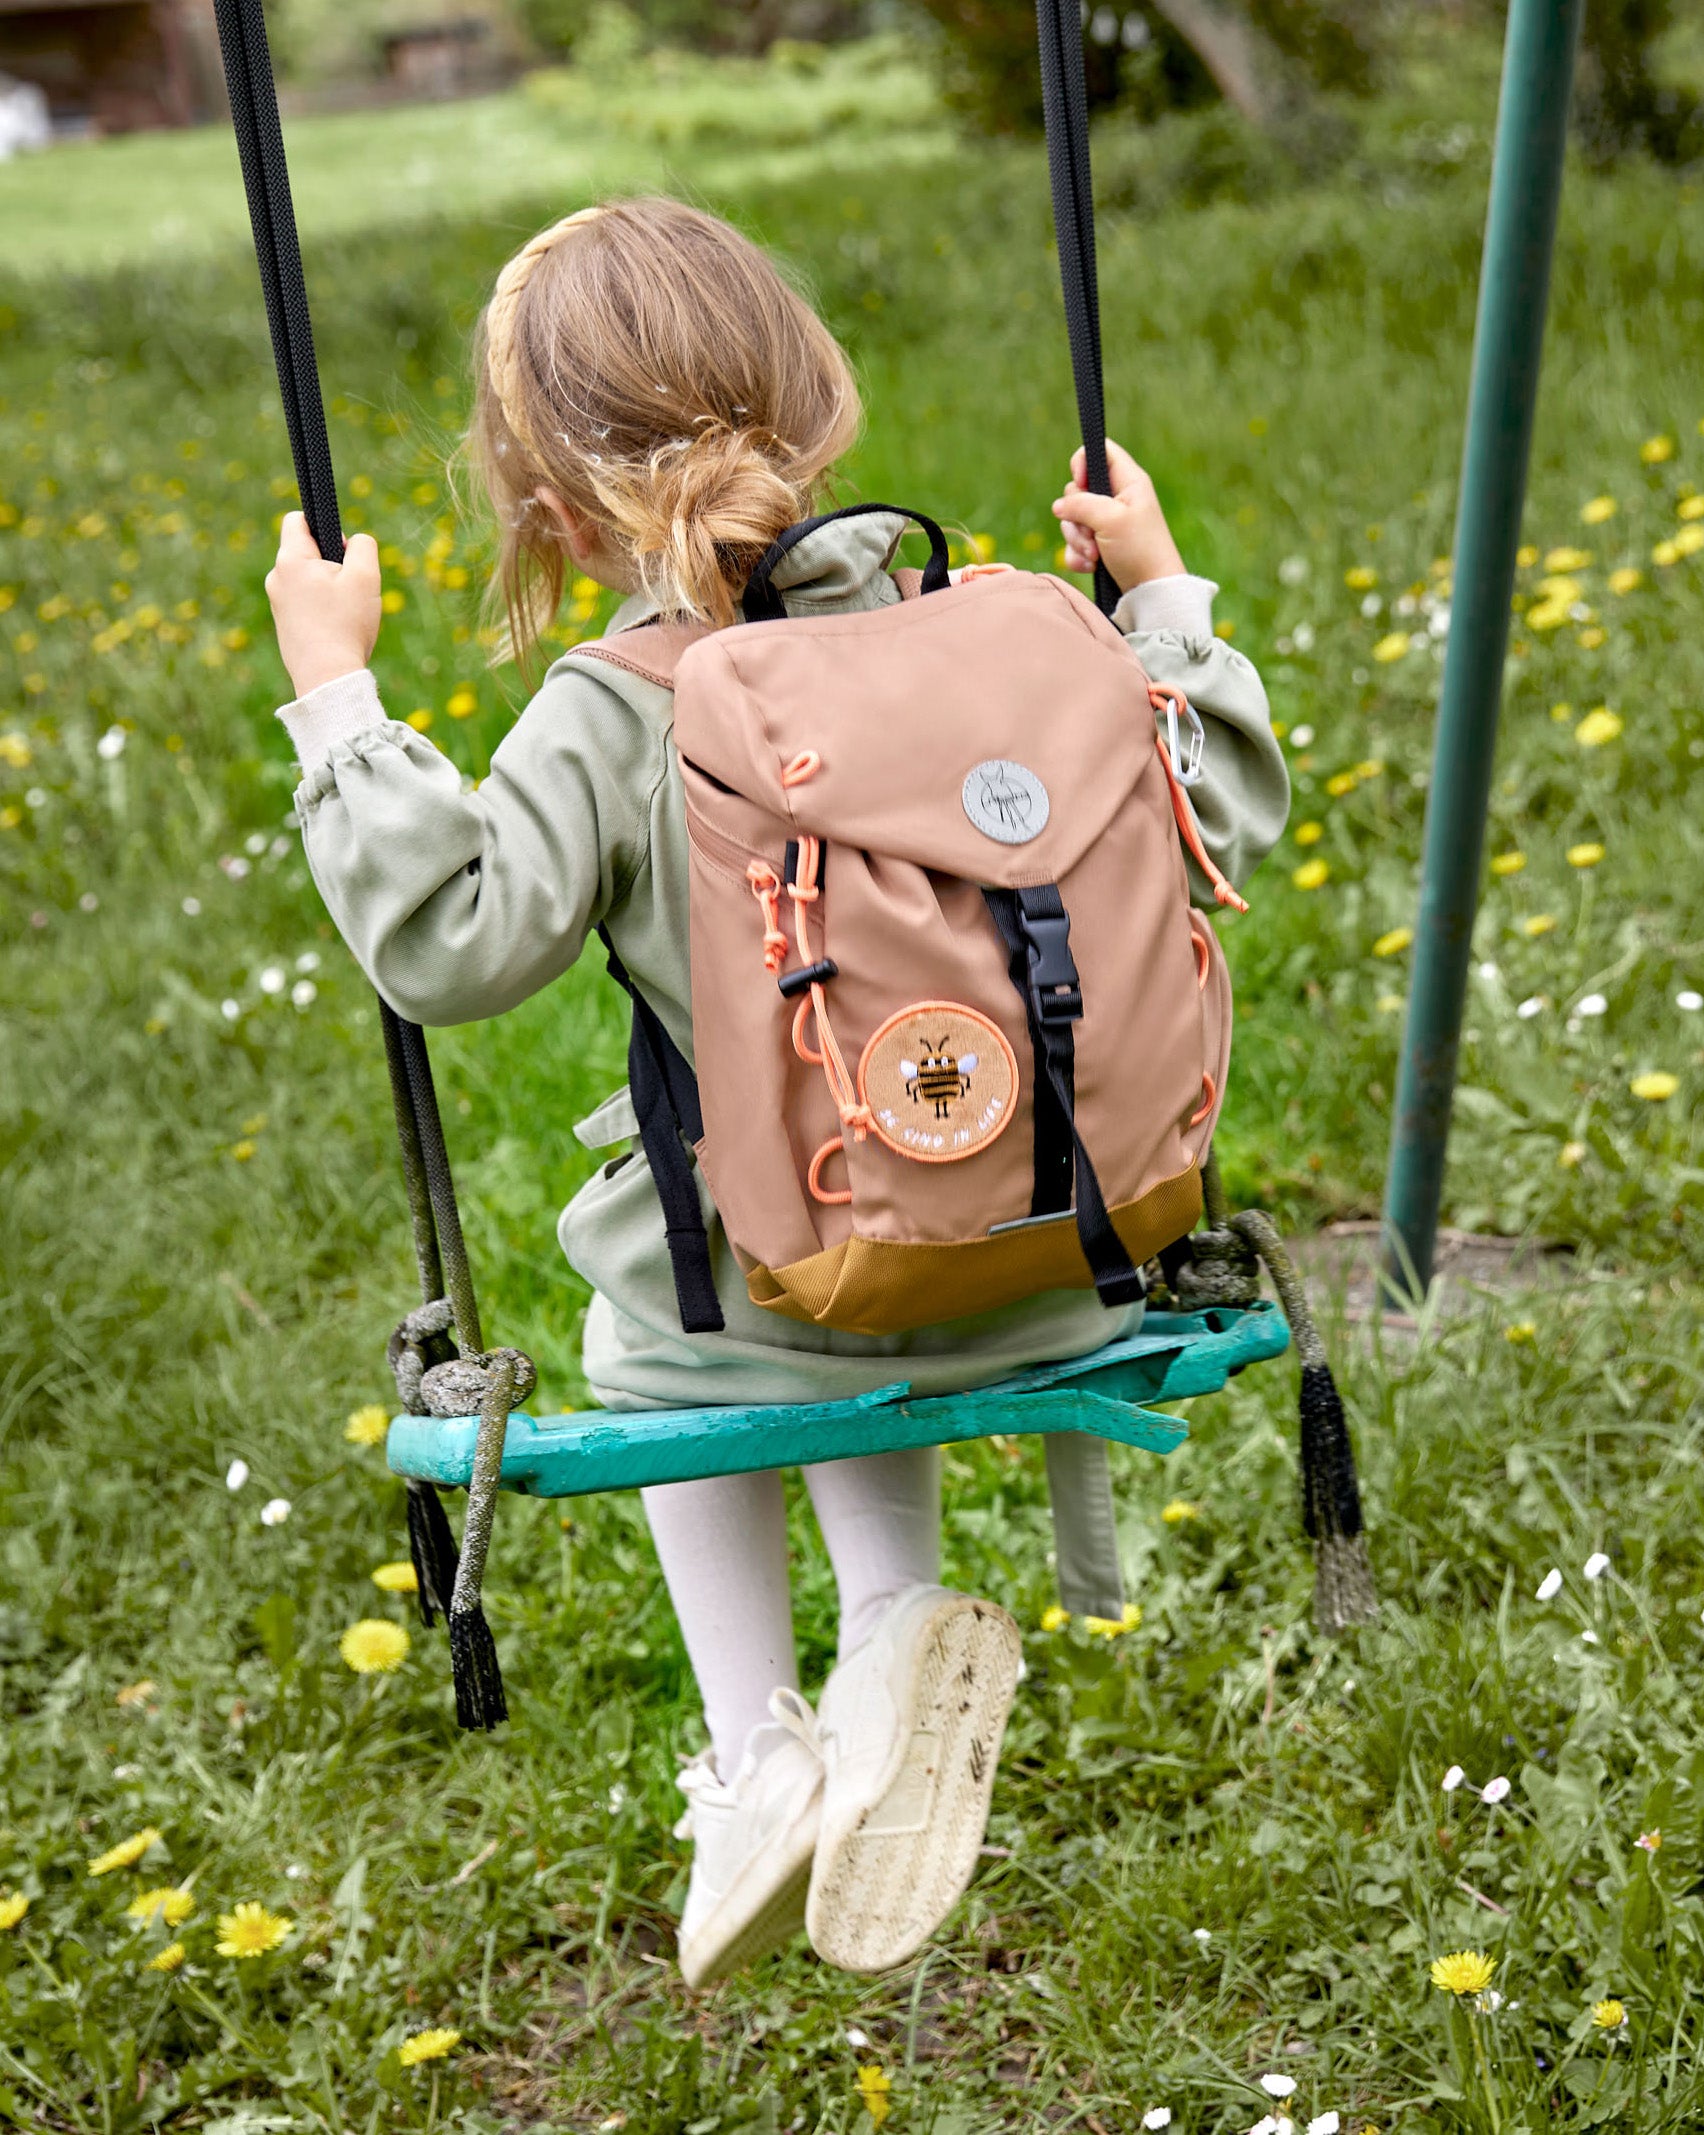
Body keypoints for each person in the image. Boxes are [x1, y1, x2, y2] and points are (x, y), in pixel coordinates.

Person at [264, 196, 1288, 1989]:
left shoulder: (617, 704)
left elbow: (453, 948)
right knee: (849, 1233)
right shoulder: (1021, 639)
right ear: (823, 412)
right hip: (1073, 1265)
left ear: (554, 518)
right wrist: (1165, 594)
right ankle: (896, 1617)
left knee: (663, 1310)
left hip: (772, 1308)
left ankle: (756, 1755)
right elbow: (1228, 816)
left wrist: (340, 703)